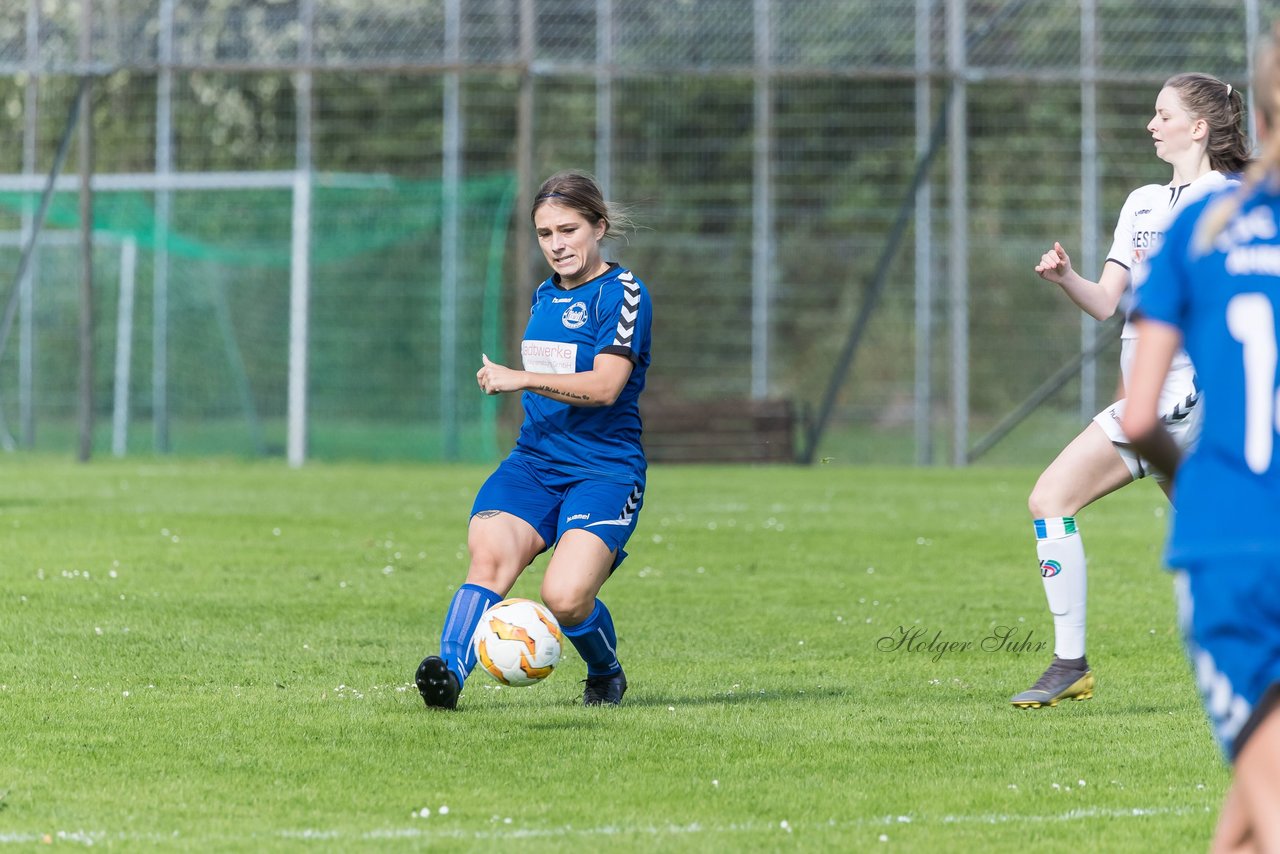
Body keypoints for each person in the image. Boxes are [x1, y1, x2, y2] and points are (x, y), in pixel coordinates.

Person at [1012, 73, 1251, 709]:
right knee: (1226, 537)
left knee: (1049, 497)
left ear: (1198, 128)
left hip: (1184, 398)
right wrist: (1067, 278)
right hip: (1152, 397)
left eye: (1163, 114)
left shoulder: (1231, 199)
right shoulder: (1143, 201)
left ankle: (1070, 663)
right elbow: (1107, 305)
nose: (1152, 124)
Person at [414, 171, 652, 710]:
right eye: (545, 234)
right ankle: (448, 675)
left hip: (604, 471)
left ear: (599, 227)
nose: (557, 244)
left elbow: (607, 386)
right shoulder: (545, 293)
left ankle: (605, 671)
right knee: (490, 558)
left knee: (565, 599)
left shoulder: (624, 295)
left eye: (568, 230)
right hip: (535, 463)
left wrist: (519, 377)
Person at [1123, 33, 1280, 849]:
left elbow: (1140, 416)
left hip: (1231, 538)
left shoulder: (1201, 228)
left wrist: (1199, 483)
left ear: (1252, 113)